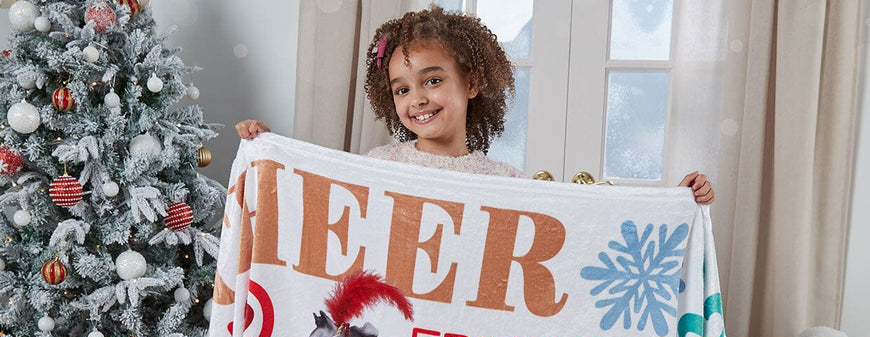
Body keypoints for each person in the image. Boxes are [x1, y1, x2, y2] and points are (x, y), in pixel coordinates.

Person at [235, 5, 715, 203]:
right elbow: (318, 207)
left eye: (433, 80)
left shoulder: (503, 182)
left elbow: (580, 230)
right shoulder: (377, 166)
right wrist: (270, 154)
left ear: (472, 82)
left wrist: (673, 203)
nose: (417, 99)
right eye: (402, 89)